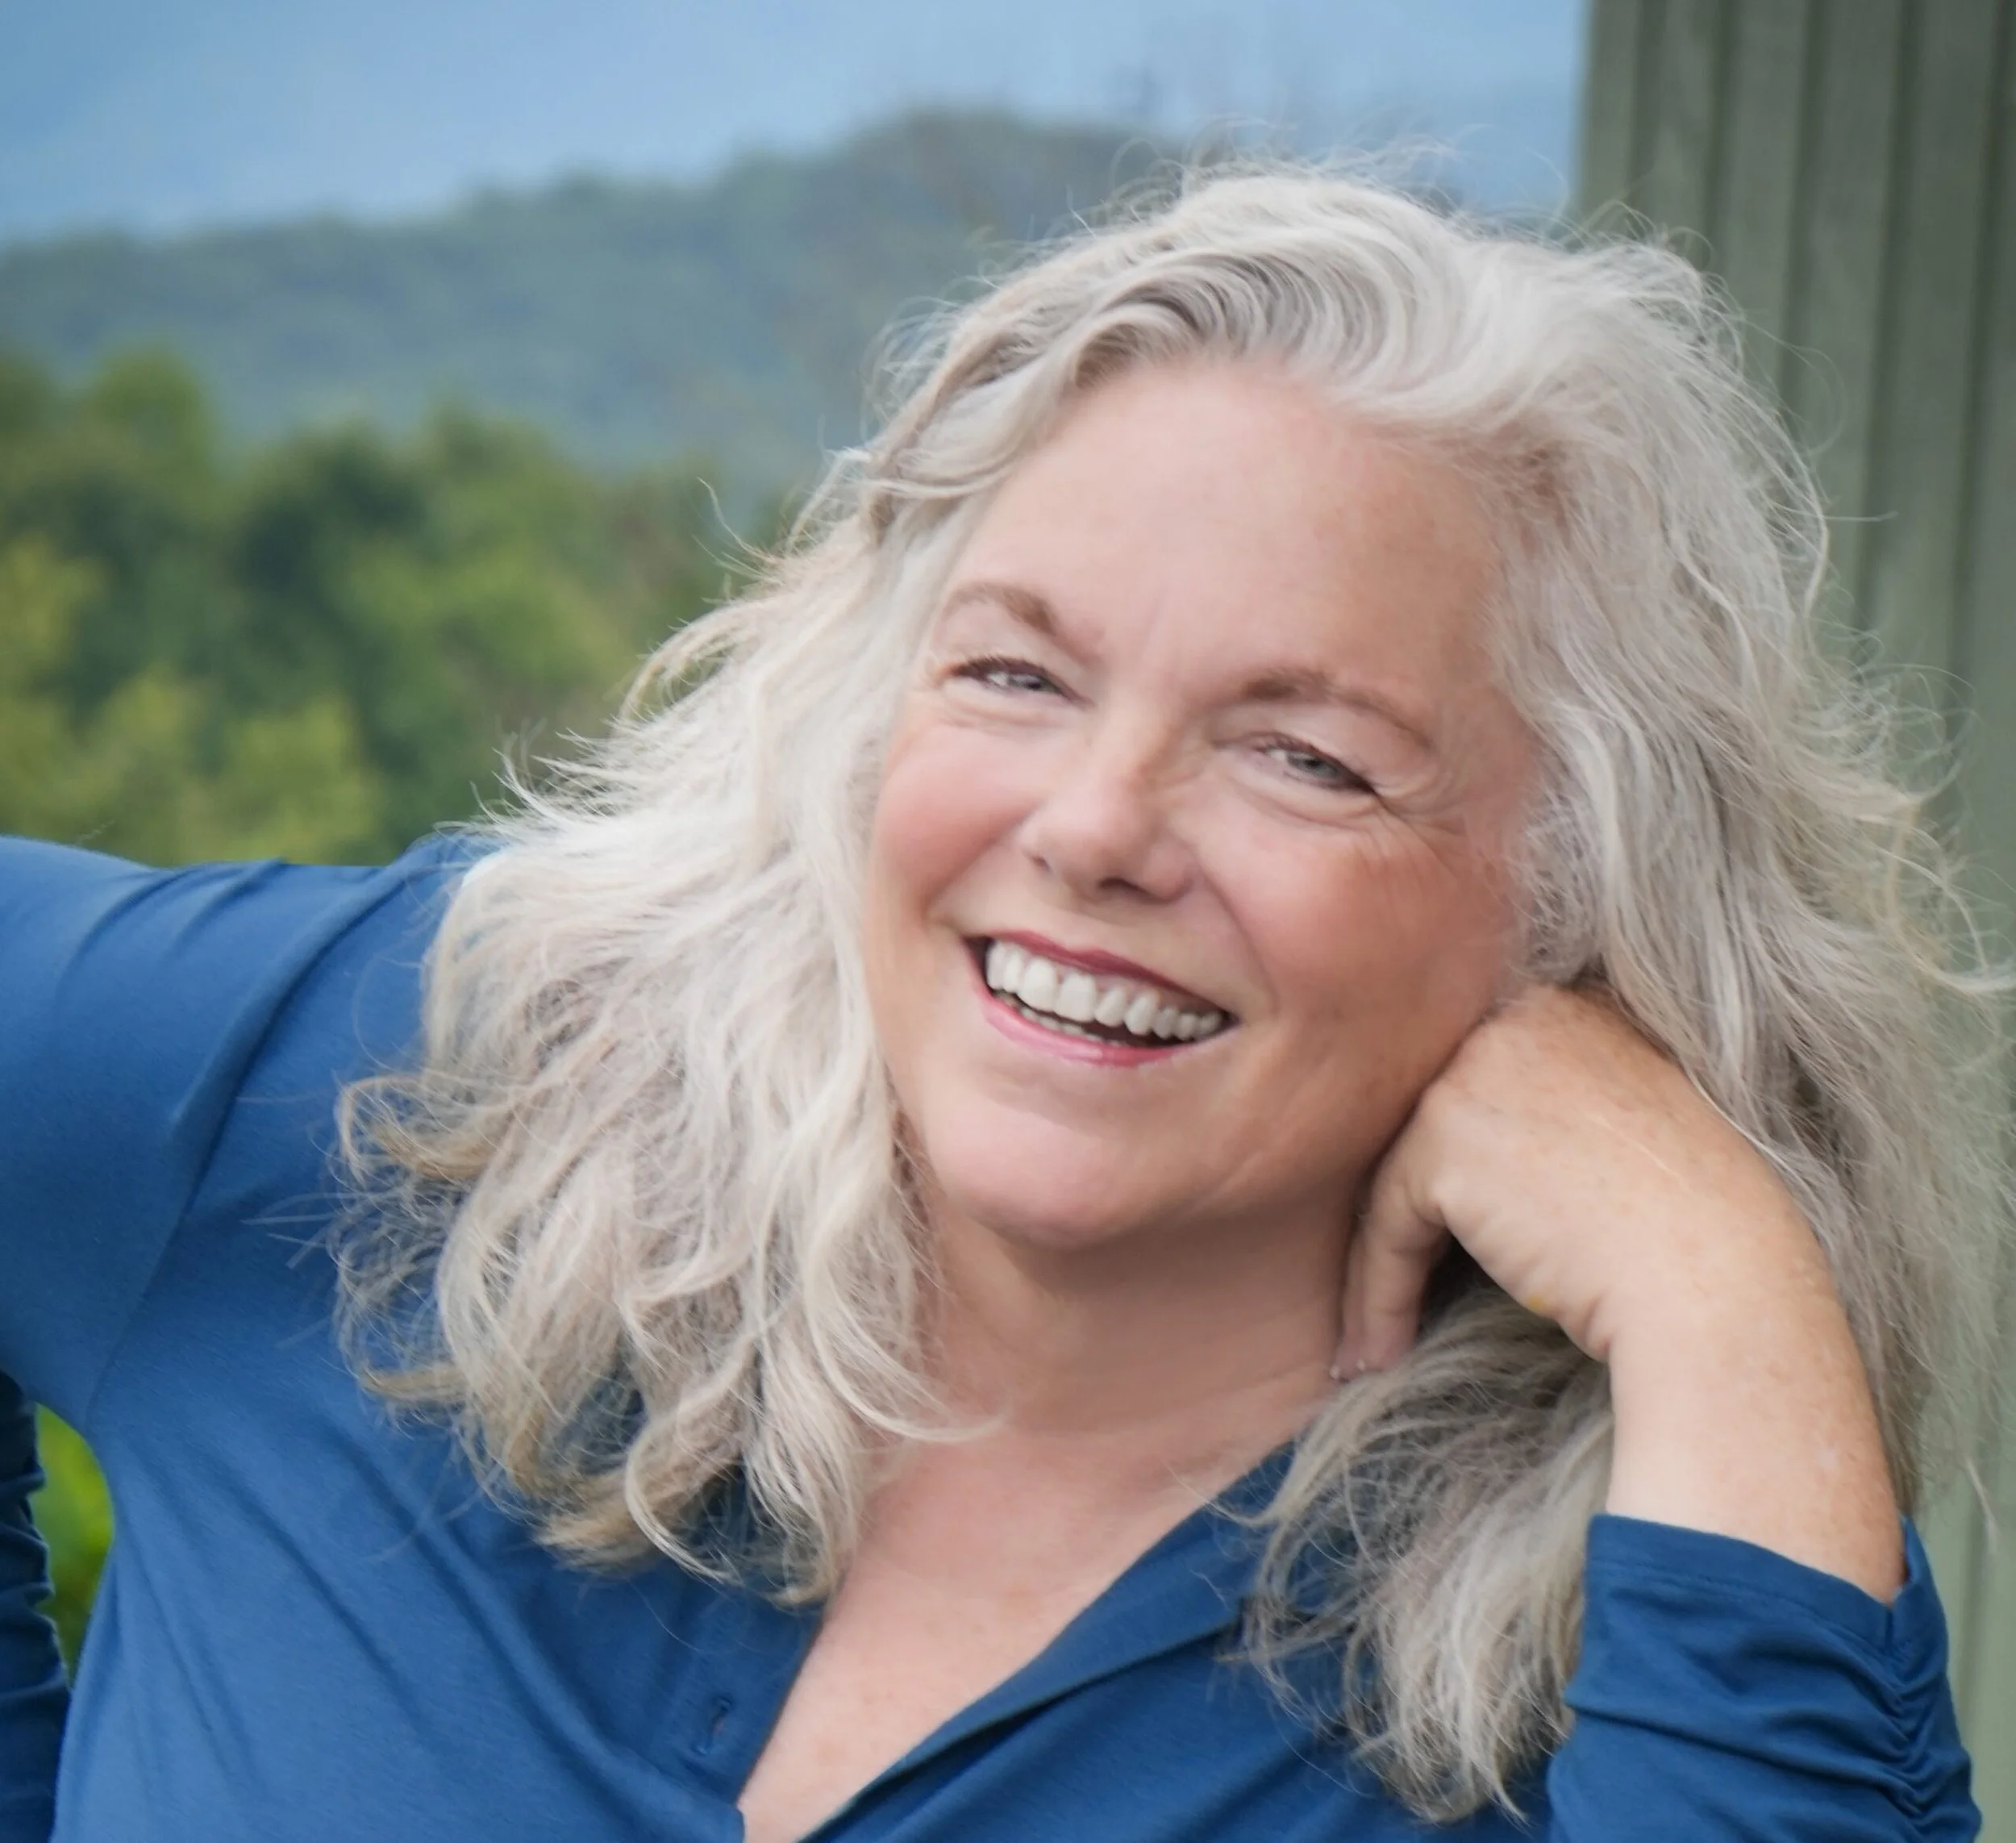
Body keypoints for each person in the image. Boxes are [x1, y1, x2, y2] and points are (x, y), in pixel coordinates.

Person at [0, 169, 2001, 1841]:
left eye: (1303, 754)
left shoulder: (1680, 1606)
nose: (1096, 825)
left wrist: (1725, 1290)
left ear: (1570, 903)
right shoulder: (379, 1095)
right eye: (1013, 674)